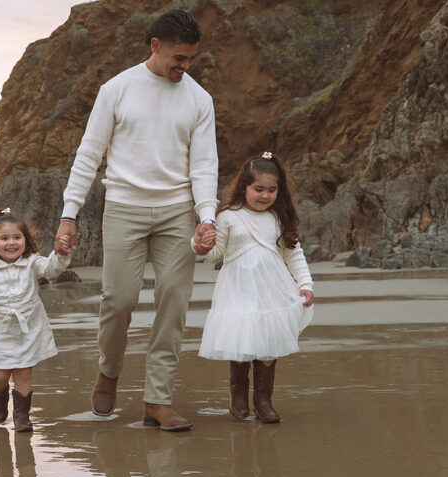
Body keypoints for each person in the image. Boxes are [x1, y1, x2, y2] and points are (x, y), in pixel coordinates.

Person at [54, 9, 219, 432]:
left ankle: (157, 401)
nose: (184, 67)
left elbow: (204, 165)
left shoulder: (200, 100)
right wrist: (69, 214)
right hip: (124, 206)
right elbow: (89, 154)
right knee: (120, 300)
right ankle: (108, 372)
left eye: (191, 60)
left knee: (174, 302)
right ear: (155, 46)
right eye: (178, 58)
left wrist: (206, 217)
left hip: (177, 211)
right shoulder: (117, 89)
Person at [194, 152, 314, 423]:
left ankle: (263, 400)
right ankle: (238, 395)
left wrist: (305, 283)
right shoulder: (227, 216)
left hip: (272, 290)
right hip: (237, 289)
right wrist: (201, 244)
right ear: (244, 187)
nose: (265, 196)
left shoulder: (277, 217)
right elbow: (215, 253)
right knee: (242, 340)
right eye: (258, 189)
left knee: (268, 345)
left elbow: (293, 254)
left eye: (271, 190)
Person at [0, 208, 71, 431]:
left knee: (24, 373)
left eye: (17, 237)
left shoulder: (32, 262)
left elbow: (51, 267)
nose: (11, 243)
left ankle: (22, 416)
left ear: (26, 239)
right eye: (4, 238)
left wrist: (61, 253)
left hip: (28, 329)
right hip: (0, 330)